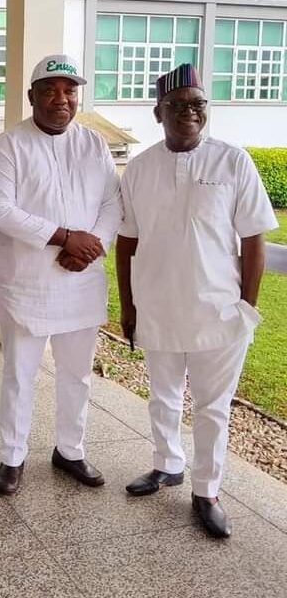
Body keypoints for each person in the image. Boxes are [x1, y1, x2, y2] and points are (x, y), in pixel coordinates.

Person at [117, 64, 278, 538]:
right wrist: (128, 307)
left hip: (219, 312)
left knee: (212, 406)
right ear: (158, 113)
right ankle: (167, 464)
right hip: (157, 307)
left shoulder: (233, 161)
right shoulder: (140, 168)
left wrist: (246, 306)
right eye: (178, 104)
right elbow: (127, 242)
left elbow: (254, 239)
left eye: (198, 104)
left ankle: (207, 491)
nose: (190, 111)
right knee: (162, 397)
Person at [0, 54, 122, 495]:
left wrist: (91, 246)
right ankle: (12, 456)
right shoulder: (9, 145)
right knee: (20, 375)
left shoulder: (93, 144)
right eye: (50, 90)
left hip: (82, 280)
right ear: (32, 96)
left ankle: (70, 450)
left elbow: (112, 203)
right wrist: (64, 237)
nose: (61, 99)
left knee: (77, 375)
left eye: (69, 90)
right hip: (28, 284)